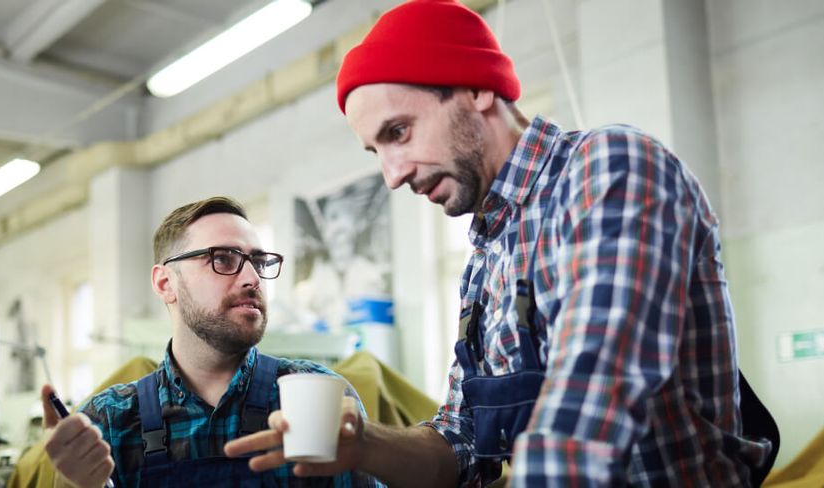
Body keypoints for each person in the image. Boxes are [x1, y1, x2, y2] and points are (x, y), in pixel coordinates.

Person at [225, 1, 775, 486]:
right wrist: (365, 447)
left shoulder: (609, 171)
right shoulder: (485, 264)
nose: (392, 176)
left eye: (399, 133)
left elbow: (588, 408)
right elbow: (461, 443)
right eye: (376, 153)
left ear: (477, 88)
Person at [42, 196, 382, 487]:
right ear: (165, 283)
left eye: (258, 262)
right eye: (223, 259)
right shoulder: (110, 422)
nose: (252, 279)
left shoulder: (317, 398)